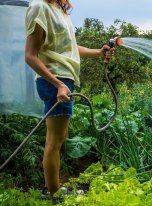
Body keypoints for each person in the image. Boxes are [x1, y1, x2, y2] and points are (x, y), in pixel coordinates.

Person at [24, 0, 114, 199]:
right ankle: (55, 194)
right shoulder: (40, 7)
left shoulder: (60, 10)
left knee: (59, 138)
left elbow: (70, 48)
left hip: (64, 80)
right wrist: (58, 84)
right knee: (54, 142)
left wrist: (98, 53)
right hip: (55, 80)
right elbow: (30, 56)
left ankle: (51, 187)